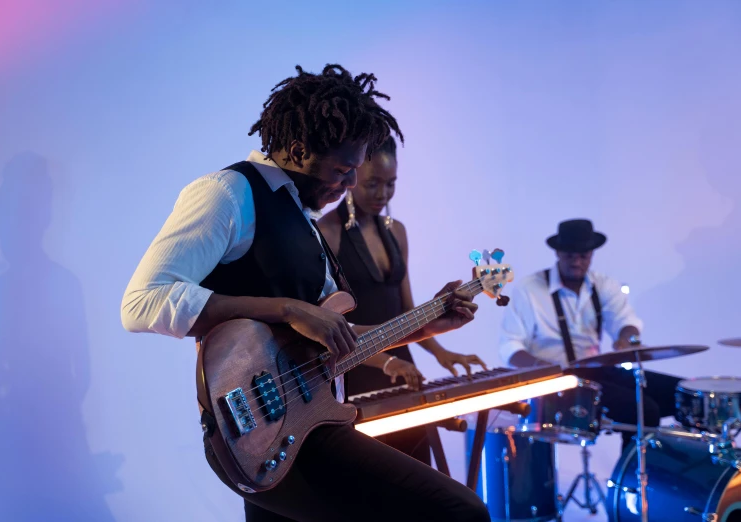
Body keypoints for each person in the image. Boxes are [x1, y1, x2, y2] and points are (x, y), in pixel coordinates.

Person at [121, 64, 490, 522]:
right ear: (297, 150)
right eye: (343, 169)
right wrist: (288, 309)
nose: (350, 185)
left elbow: (334, 337)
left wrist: (426, 324)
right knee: (459, 511)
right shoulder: (228, 193)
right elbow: (142, 302)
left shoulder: (301, 219)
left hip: (295, 426)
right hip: (262, 427)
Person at [318, 136, 486, 465]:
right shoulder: (327, 233)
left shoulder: (398, 232)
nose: (383, 194)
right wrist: (388, 362)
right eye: (373, 184)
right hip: (358, 371)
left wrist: (441, 353)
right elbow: (331, 329)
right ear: (352, 178)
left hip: (405, 372)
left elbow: (406, 311)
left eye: (391, 184)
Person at [498, 218, 682, 450]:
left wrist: (625, 339)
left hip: (596, 371)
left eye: (583, 256)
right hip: (554, 380)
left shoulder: (603, 285)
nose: (576, 262)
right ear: (558, 252)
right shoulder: (530, 289)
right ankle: (631, 481)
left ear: (592, 254)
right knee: (644, 410)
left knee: (681, 394)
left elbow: (626, 321)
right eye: (570, 255)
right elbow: (510, 346)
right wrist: (545, 368)